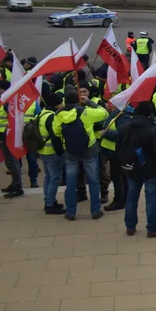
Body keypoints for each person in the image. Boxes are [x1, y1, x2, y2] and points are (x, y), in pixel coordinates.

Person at [54, 88, 109, 221]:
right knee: (93, 180)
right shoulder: (86, 112)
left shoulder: (59, 115)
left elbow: (56, 132)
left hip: (70, 152)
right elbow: (104, 113)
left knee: (71, 182)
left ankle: (71, 212)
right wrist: (89, 102)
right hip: (89, 150)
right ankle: (95, 211)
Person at [118, 101, 156, 237]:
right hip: (150, 168)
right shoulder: (153, 129)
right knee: (151, 198)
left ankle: (130, 226)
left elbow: (119, 147)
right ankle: (152, 228)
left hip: (132, 167)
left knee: (131, 197)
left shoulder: (125, 127)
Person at [35, 92, 66, 215]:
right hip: (52, 151)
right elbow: (55, 136)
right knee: (55, 178)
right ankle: (50, 204)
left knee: (48, 177)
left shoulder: (42, 113)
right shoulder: (52, 117)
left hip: (43, 150)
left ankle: (48, 200)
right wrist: (60, 152)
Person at [100, 104, 133, 212]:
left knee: (117, 176)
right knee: (120, 176)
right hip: (111, 151)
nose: (109, 106)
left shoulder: (124, 117)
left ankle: (119, 200)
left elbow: (121, 134)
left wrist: (105, 133)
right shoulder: (115, 115)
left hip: (116, 152)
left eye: (112, 104)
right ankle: (124, 197)